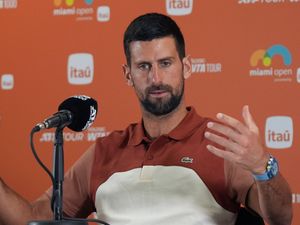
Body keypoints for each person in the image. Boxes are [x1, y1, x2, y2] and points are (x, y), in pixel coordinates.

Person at [0, 13, 293, 225]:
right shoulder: (104, 151)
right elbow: (33, 218)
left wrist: (261, 166)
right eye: (143, 66)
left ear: (186, 67)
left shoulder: (219, 143)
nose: (156, 78)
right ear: (128, 75)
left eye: (165, 63)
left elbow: (279, 217)